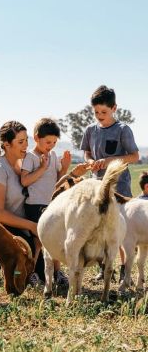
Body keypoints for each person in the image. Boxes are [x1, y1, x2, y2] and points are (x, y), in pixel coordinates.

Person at [80, 85, 139, 281]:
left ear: (114, 108)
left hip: (119, 188)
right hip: (96, 187)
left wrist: (108, 162)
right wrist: (90, 162)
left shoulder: (123, 130)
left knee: (120, 230)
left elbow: (134, 156)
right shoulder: (90, 130)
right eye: (96, 112)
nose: (99, 115)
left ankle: (124, 270)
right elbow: (86, 152)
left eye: (103, 112)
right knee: (100, 228)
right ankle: (104, 269)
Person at [0, 120, 43, 288]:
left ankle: (31, 270)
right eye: (21, 142)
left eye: (27, 141)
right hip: (1, 226)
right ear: (7, 145)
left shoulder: (24, 165)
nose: (26, 146)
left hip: (24, 223)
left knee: (43, 272)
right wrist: (31, 226)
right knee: (25, 244)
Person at [20, 118, 73, 287]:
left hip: (51, 204)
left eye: (54, 142)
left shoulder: (52, 155)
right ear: (36, 138)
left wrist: (64, 167)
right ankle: (31, 273)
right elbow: (24, 181)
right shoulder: (31, 157)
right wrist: (42, 168)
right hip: (35, 205)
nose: (51, 146)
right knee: (38, 241)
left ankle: (57, 273)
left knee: (55, 239)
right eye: (48, 142)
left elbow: (56, 179)